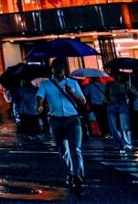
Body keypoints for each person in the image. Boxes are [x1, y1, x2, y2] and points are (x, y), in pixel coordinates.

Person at [37, 58, 87, 196]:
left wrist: (71, 92)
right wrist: (40, 105)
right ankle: (70, 173)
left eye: (61, 67)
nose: (58, 70)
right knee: (63, 149)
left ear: (65, 70)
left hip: (73, 119)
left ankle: (78, 176)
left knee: (75, 148)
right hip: (56, 120)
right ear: (52, 69)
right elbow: (39, 96)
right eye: (56, 67)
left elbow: (82, 101)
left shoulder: (72, 83)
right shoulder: (46, 84)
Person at [106, 73, 134, 155]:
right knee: (114, 127)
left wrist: (129, 89)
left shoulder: (126, 85)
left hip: (122, 105)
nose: (116, 76)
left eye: (117, 74)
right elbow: (105, 94)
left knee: (124, 126)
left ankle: (126, 144)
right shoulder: (109, 85)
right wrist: (108, 100)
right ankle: (121, 144)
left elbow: (133, 94)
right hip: (112, 106)